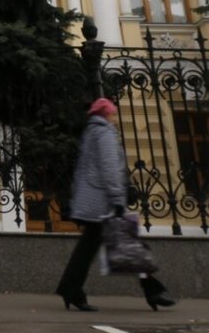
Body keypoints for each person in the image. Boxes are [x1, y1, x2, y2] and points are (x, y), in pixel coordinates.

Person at [55, 98, 176, 312]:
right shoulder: (104, 133)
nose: (114, 117)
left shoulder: (91, 132)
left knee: (96, 247)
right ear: (106, 114)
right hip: (102, 201)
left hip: (92, 200)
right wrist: (118, 200)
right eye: (112, 113)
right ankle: (152, 291)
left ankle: (71, 290)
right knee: (126, 243)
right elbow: (110, 169)